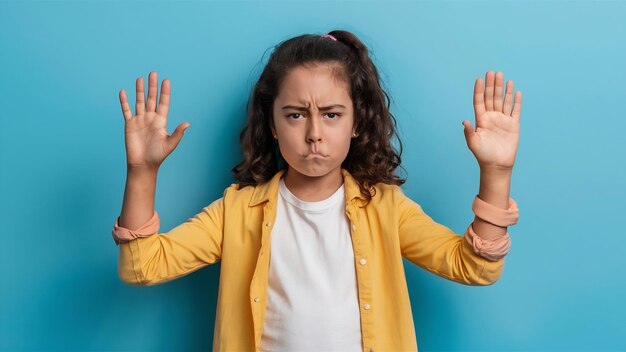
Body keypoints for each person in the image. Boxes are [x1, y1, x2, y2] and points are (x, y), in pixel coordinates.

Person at [112, 30, 521, 352]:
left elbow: (475, 267)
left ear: (356, 122)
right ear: (272, 124)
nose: (313, 134)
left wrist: (496, 172)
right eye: (295, 115)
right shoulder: (237, 211)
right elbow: (143, 266)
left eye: (331, 115)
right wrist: (142, 171)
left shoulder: (385, 208)